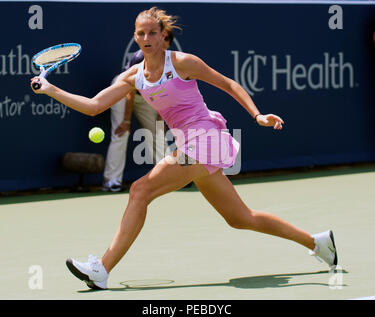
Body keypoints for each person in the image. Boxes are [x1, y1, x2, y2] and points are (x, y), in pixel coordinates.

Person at [31, 7, 338, 290]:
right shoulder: (133, 76)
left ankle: (103, 268)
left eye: (153, 33)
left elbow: (229, 84)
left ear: (164, 35)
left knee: (140, 190)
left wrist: (256, 114)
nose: (147, 38)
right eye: (141, 33)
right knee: (240, 217)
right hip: (190, 144)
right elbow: (94, 106)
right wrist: (50, 89)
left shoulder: (182, 63)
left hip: (205, 138)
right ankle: (317, 242)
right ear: (135, 37)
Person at [103, 32, 174, 192]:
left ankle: (169, 177)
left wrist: (161, 118)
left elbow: (166, 92)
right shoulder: (140, 57)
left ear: (168, 44)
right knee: (121, 132)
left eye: (165, 42)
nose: (161, 45)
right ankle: (112, 180)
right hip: (124, 91)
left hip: (147, 95)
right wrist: (126, 121)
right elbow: (129, 91)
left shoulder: (170, 63)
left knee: (158, 132)